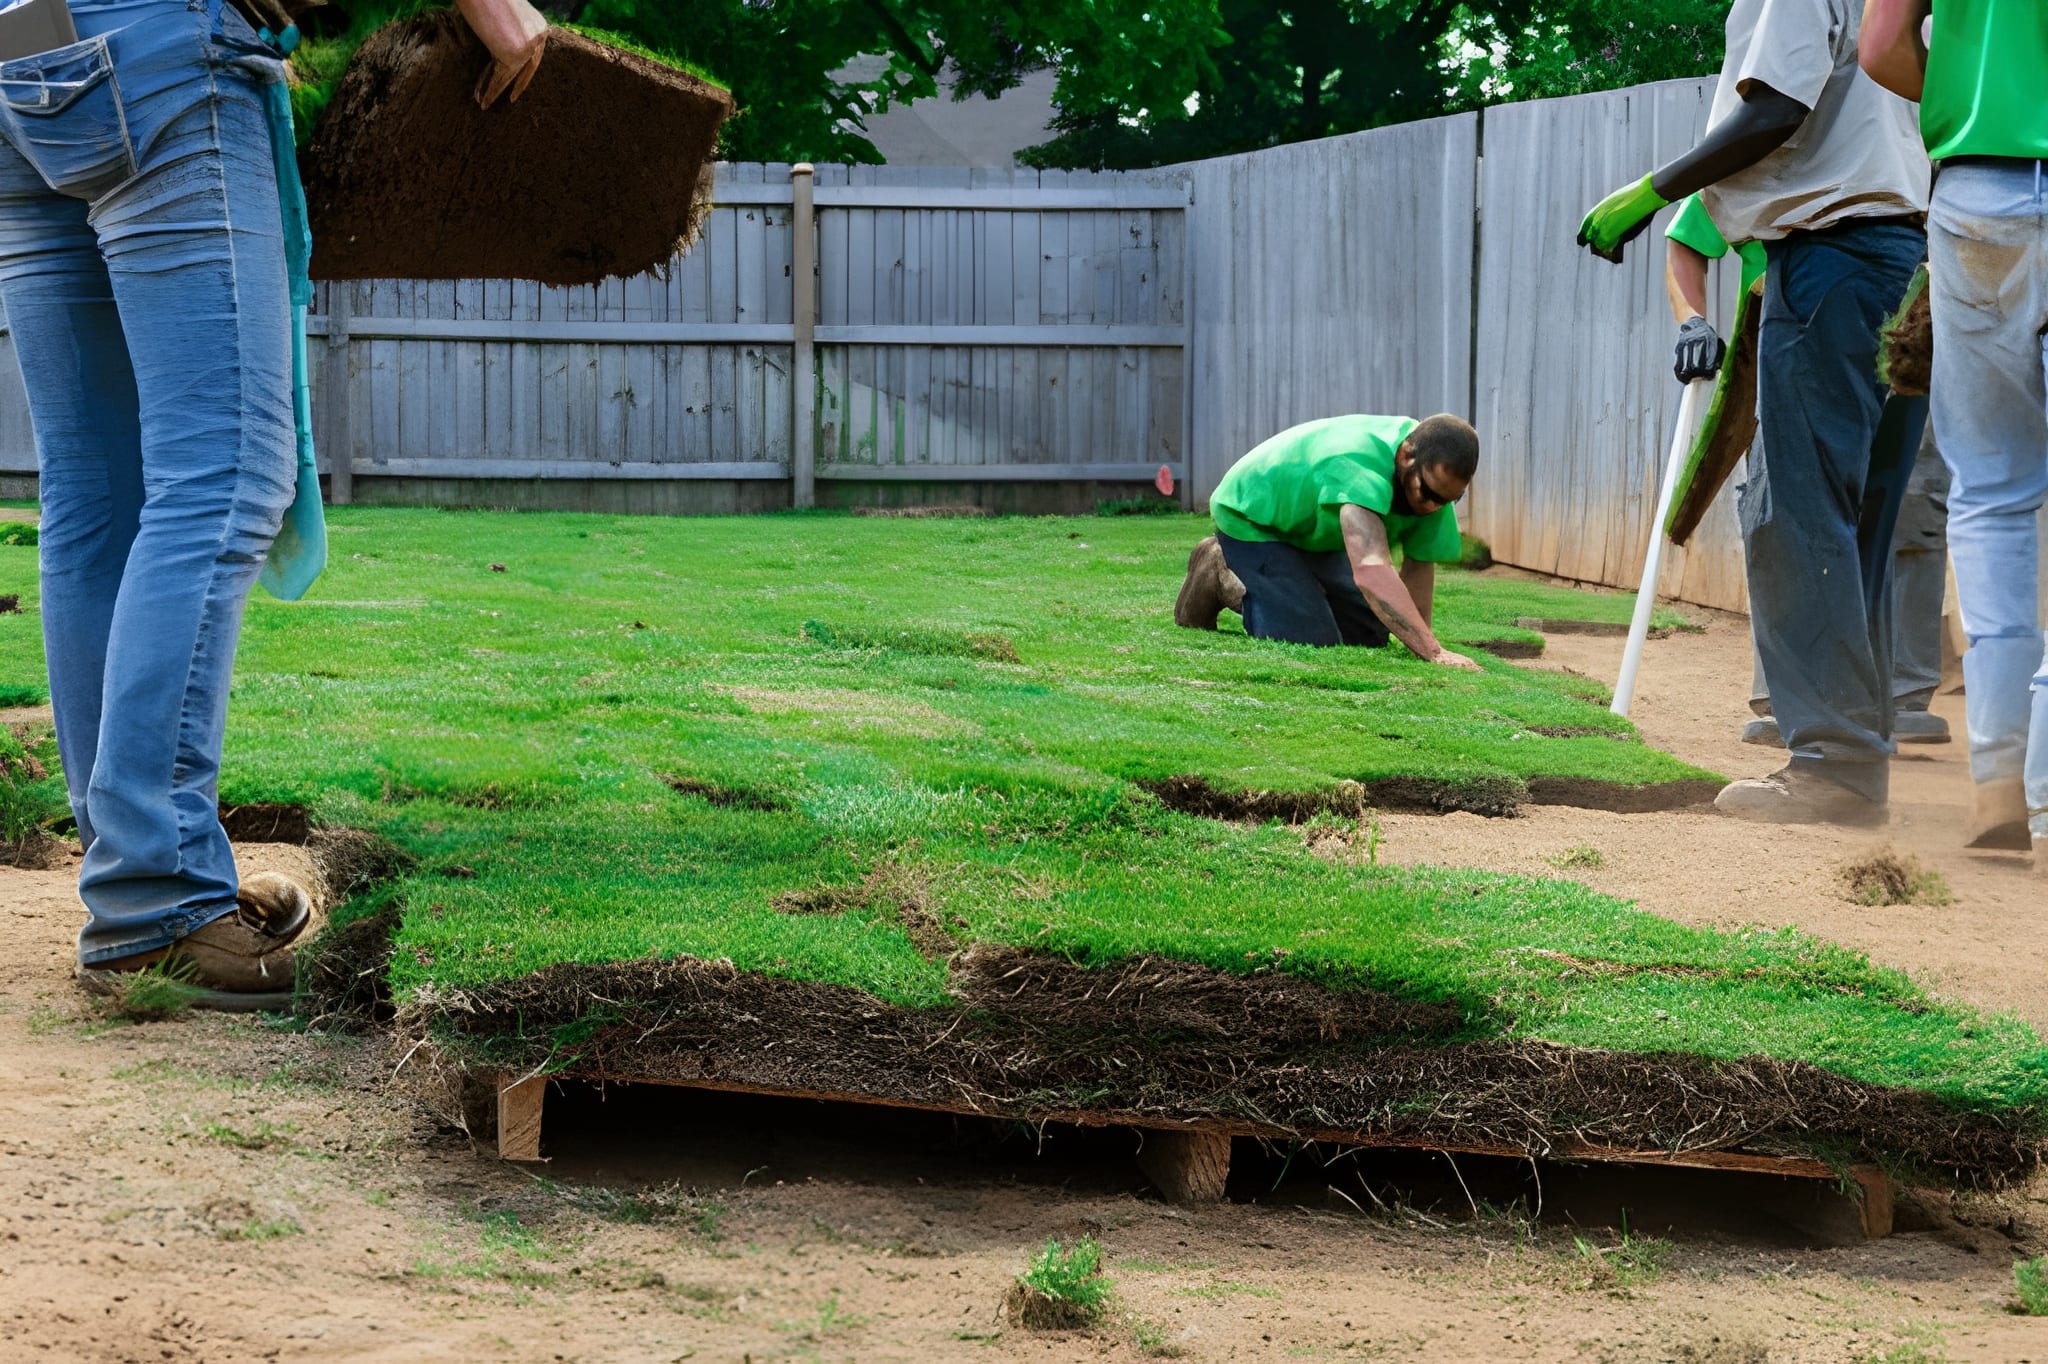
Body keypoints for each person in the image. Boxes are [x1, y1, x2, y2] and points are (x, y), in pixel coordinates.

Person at [0, 0, 548, 1009]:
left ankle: (142, 867)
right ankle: (156, 898)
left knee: (99, 501)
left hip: (20, 52)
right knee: (224, 477)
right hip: (153, 49)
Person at [1578, 0, 1930, 827]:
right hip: (1908, 259)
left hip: (1831, 257)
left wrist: (1653, 186)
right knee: (1860, 519)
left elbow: (1777, 107)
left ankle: (1834, 766)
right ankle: (1855, 756)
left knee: (1797, 512)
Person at [1664, 196, 1953, 749]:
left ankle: (1903, 692)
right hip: (1790, 346)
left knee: (1914, 507)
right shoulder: (1763, 146)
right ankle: (1786, 695)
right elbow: (1687, 238)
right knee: (1788, 516)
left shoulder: (1910, 132)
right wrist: (1692, 321)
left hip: (1908, 340)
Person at [1861, 0, 2048, 853]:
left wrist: (1971, 106)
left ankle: (2001, 780)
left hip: (1974, 193)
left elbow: (1882, 47)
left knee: (1993, 492)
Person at [1174, 414, 1482, 670]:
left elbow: (1418, 566)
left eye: (1449, 501)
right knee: (1310, 638)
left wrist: (1422, 644)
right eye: (1427, 494)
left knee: (1370, 634)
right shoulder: (1358, 465)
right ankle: (1216, 569)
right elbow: (1371, 570)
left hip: (1312, 533)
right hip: (1254, 515)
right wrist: (1435, 653)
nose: (1433, 508)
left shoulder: (1433, 484)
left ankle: (1289, 585)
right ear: (1406, 456)